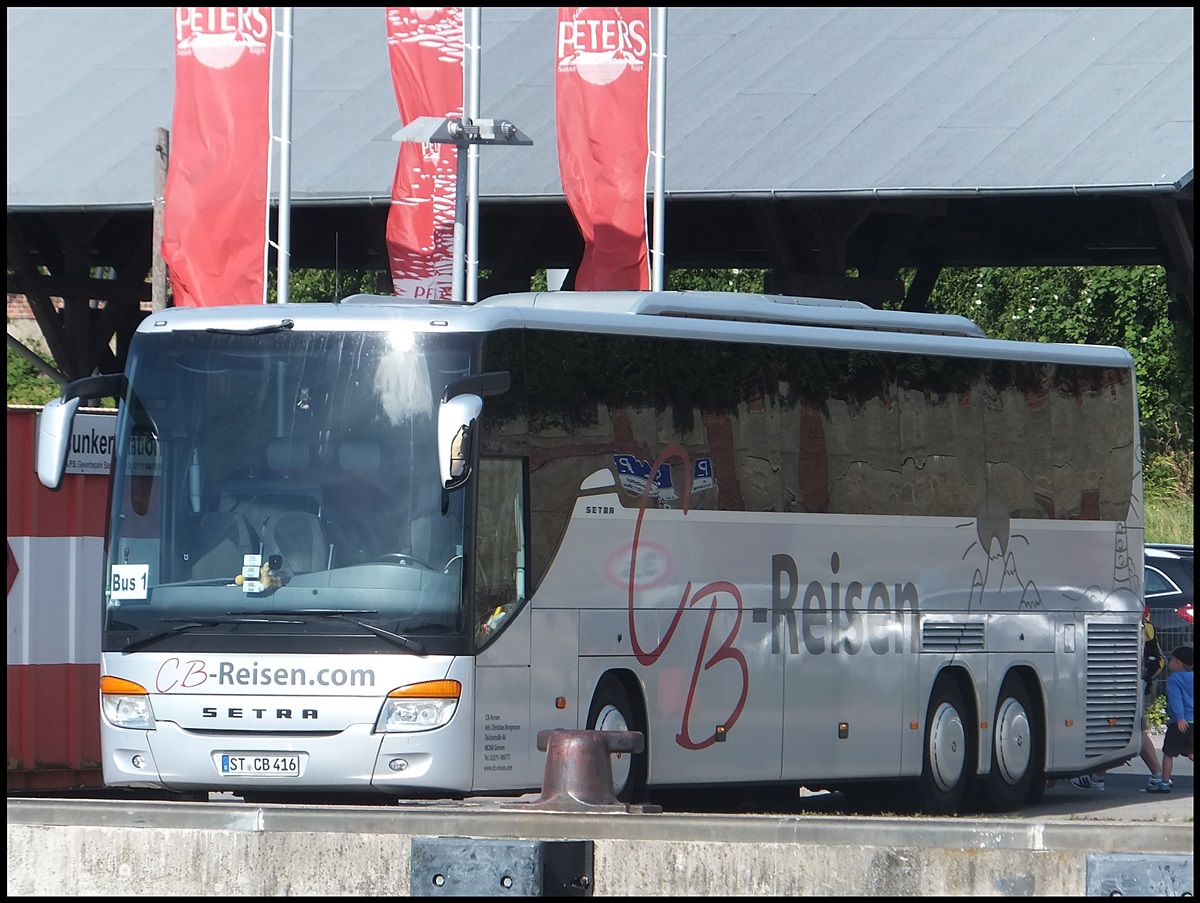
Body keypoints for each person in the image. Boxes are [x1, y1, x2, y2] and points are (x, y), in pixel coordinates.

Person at [1070, 608, 1166, 791]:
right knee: (1131, 729)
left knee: (1116, 728)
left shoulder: (1136, 626)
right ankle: (1156, 775)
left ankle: (1098, 777)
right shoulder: (1144, 626)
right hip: (1131, 681)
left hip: (1123, 682)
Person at [1148, 645, 1193, 794]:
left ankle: (1165, 783)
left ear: (1178, 662)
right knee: (1191, 752)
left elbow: (1176, 700)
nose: (1169, 662)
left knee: (1168, 753)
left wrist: (1179, 718)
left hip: (1180, 722)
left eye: (1172, 660)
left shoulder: (1174, 680)